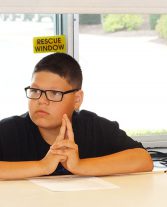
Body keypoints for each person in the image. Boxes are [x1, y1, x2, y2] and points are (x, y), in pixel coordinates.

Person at [0, 53, 153, 179]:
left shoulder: (93, 127)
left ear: (77, 99)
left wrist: (79, 166)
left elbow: (143, 160)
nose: (41, 100)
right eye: (35, 91)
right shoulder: (10, 130)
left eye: (54, 93)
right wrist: (43, 166)